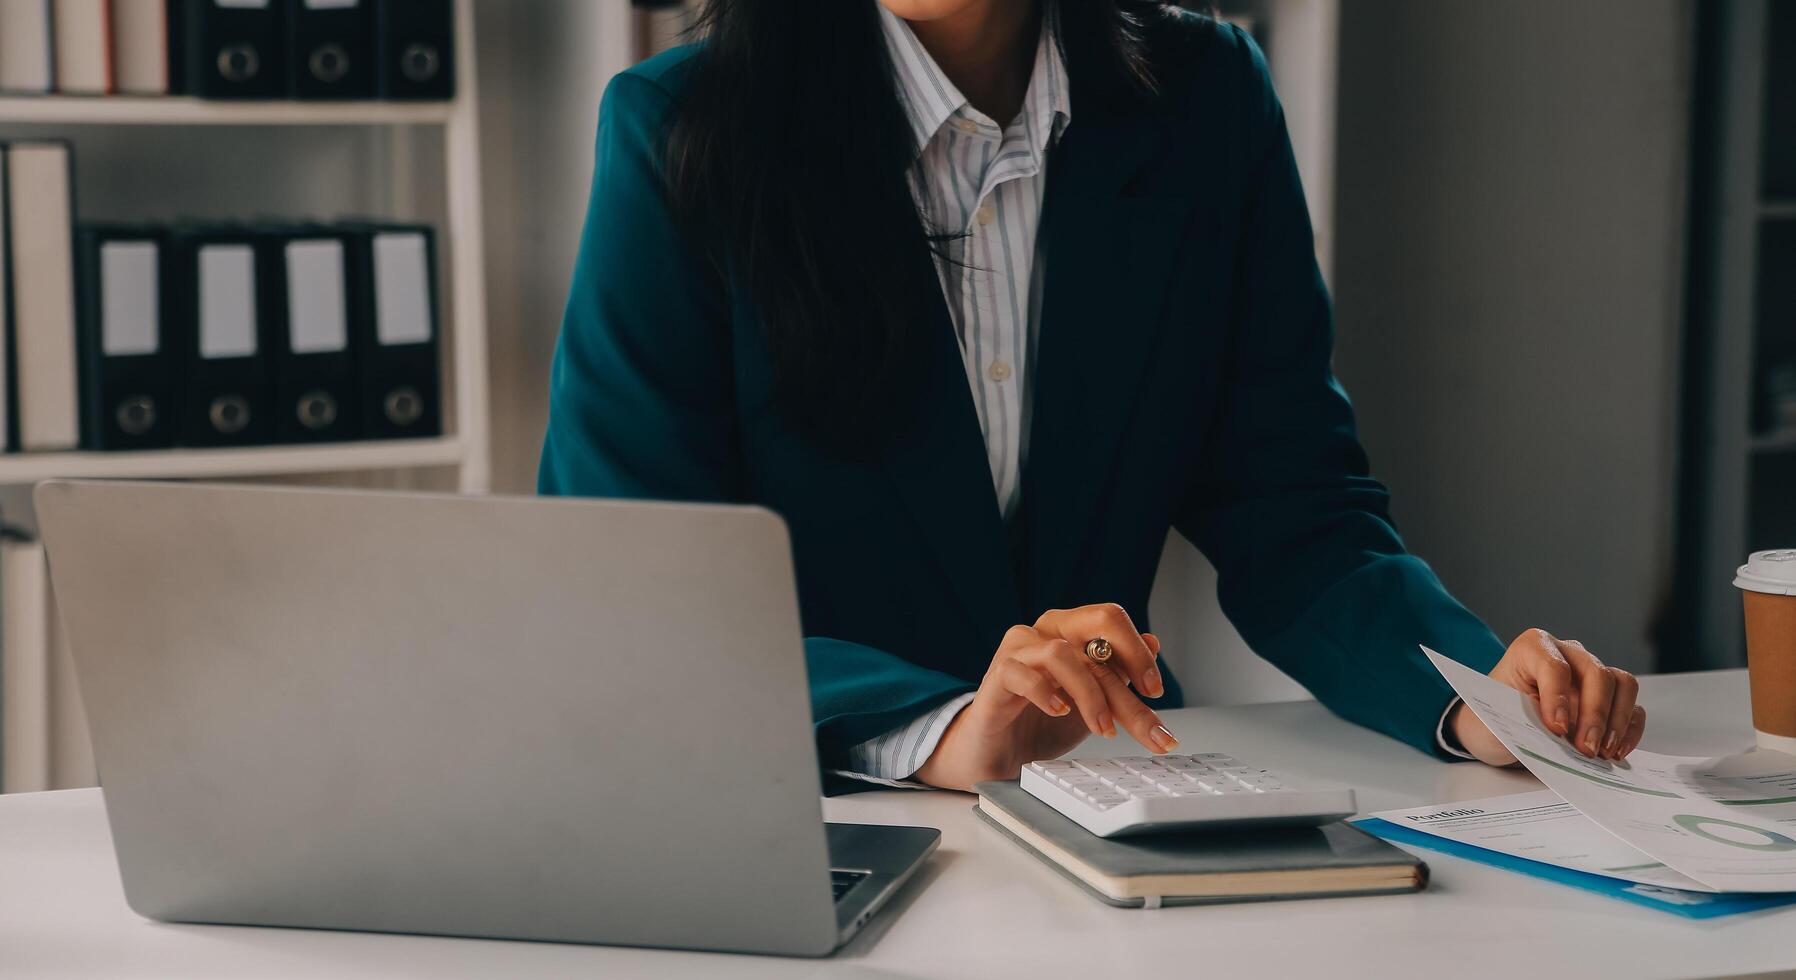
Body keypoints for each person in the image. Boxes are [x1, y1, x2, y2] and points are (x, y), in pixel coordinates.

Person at [538, 0, 1646, 792]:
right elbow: (632, 578)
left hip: (1102, 812)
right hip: (809, 803)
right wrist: (943, 728)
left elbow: (1293, 505)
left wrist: (1468, 694)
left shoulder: (1204, 99)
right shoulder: (678, 126)